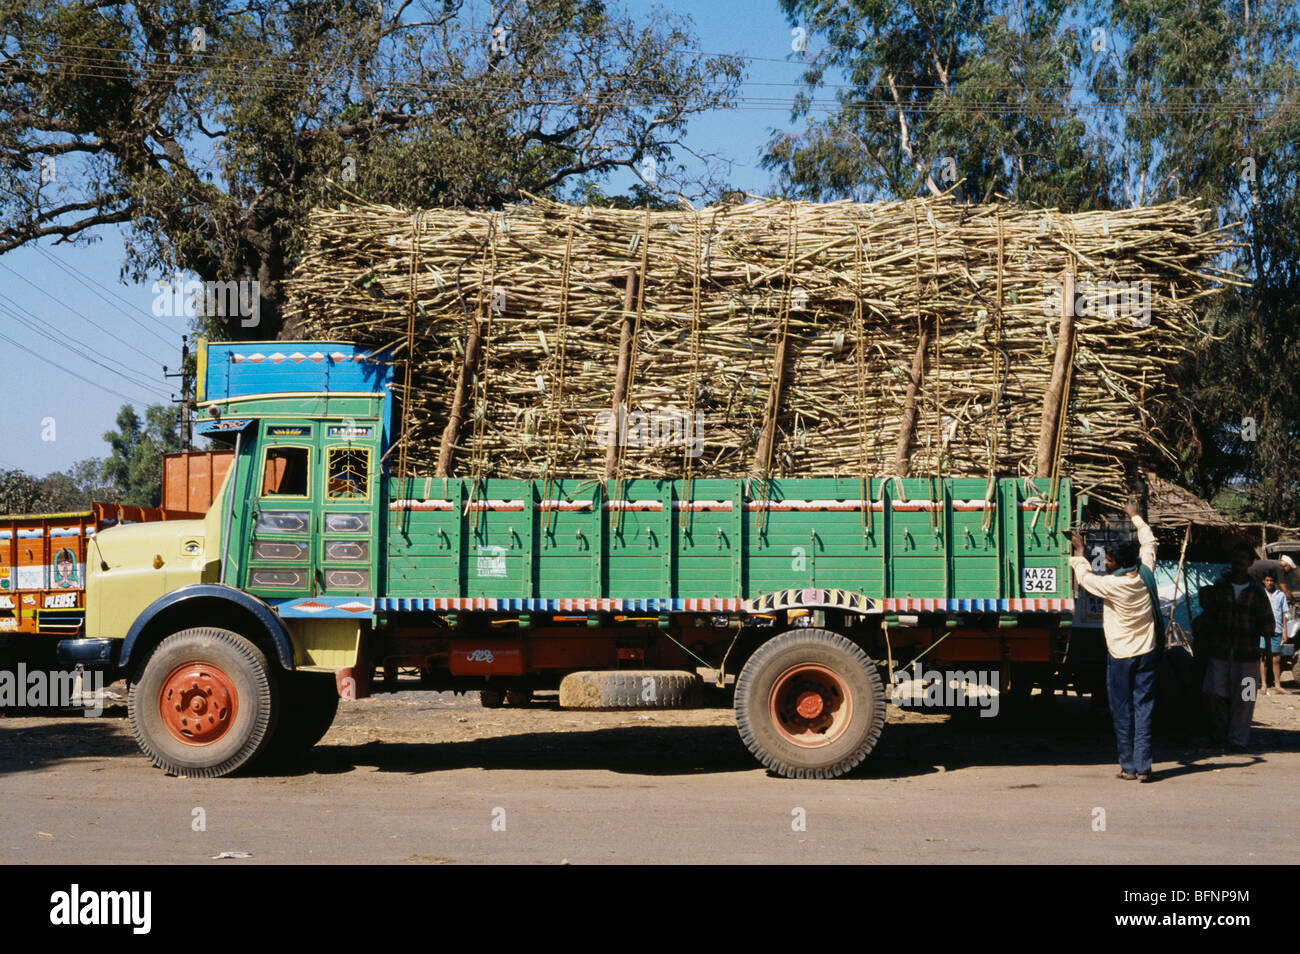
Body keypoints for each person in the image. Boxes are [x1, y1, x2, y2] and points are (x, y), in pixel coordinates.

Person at [1070, 503, 1160, 782]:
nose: (1105, 563)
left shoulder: (1112, 585)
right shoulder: (1145, 572)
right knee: (1144, 708)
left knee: (1122, 710)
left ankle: (1128, 767)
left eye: (1108, 560)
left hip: (1121, 655)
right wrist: (1135, 516)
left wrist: (1079, 554)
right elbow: (1149, 541)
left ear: (1118, 562)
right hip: (1147, 651)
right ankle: (1143, 767)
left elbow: (1084, 578)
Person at [1200, 543, 1276, 751]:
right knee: (1212, 693)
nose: (1239, 562)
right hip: (1220, 652)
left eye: (1243, 558)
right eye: (1236, 557)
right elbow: (1208, 614)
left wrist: (1267, 654)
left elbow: (1268, 623)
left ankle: (1238, 741)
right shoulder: (1220, 586)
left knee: (1247, 697)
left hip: (1249, 655)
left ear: (1250, 563)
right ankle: (1219, 734)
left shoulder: (1258, 591)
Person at [1261, 573, 1289, 693]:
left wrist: (1285, 631)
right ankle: (1263, 685)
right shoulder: (1260, 594)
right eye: (1267, 580)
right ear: (1263, 581)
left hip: (1277, 629)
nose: (1270, 583)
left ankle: (1277, 685)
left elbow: (1284, 614)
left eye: (1272, 580)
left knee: (1276, 659)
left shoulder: (1281, 595)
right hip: (1262, 630)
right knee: (1263, 658)